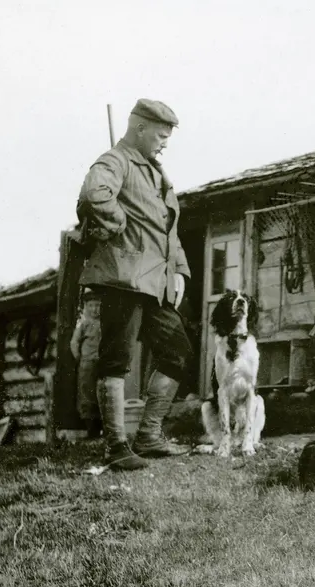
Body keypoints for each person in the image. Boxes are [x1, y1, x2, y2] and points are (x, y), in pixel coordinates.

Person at [75, 98, 193, 470]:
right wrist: (117, 225)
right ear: (139, 128)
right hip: (122, 278)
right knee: (116, 361)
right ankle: (116, 446)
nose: (165, 143)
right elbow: (94, 193)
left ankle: (149, 436)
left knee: (177, 352)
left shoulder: (156, 173)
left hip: (156, 283)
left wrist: (178, 269)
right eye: (161, 135)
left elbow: (167, 231)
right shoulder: (117, 160)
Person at [69, 287, 103, 439]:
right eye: (91, 306)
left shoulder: (104, 323)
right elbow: (74, 342)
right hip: (87, 363)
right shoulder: (83, 324)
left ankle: (104, 428)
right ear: (86, 307)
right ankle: (91, 430)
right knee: (86, 394)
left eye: (97, 305)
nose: (95, 309)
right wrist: (79, 358)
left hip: (102, 363)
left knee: (102, 394)